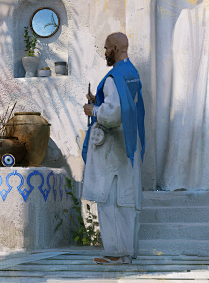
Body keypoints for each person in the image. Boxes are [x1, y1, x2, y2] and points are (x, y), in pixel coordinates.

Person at [82, 32, 145, 264]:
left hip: (113, 148)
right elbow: (125, 106)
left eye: (107, 47)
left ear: (117, 47)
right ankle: (127, 252)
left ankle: (116, 253)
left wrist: (94, 110)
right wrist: (99, 102)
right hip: (128, 144)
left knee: (109, 197)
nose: (105, 51)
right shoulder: (131, 73)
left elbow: (114, 113)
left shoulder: (113, 77)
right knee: (125, 198)